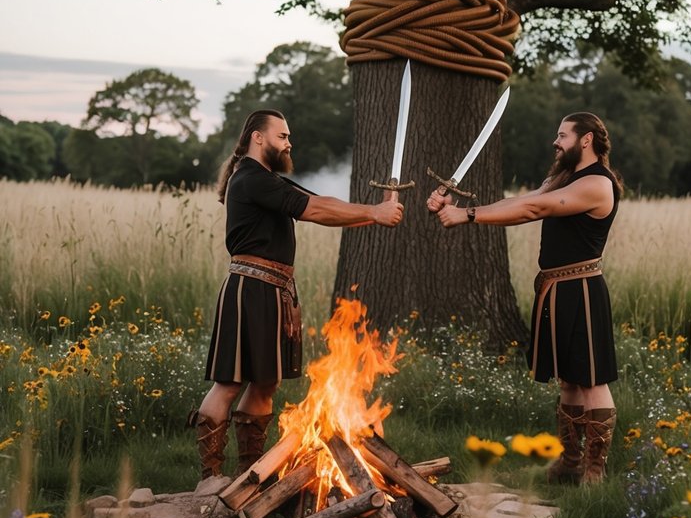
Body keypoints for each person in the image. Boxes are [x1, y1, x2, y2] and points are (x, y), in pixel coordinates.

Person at [189, 108, 404, 485]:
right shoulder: (251, 179)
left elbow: (322, 202)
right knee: (230, 381)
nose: (289, 143)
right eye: (282, 136)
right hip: (250, 289)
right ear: (258, 137)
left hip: (275, 291)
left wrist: (375, 215)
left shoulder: (267, 180)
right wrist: (374, 211)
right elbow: (315, 210)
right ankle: (210, 476)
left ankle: (248, 475)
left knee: (265, 383)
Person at [427, 111, 622, 485]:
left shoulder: (597, 184)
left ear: (586, 140)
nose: (556, 141)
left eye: (563, 135)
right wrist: (457, 210)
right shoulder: (563, 178)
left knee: (592, 381)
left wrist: (466, 216)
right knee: (568, 381)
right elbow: (521, 204)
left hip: (582, 288)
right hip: (555, 288)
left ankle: (595, 471)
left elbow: (535, 209)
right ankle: (570, 461)